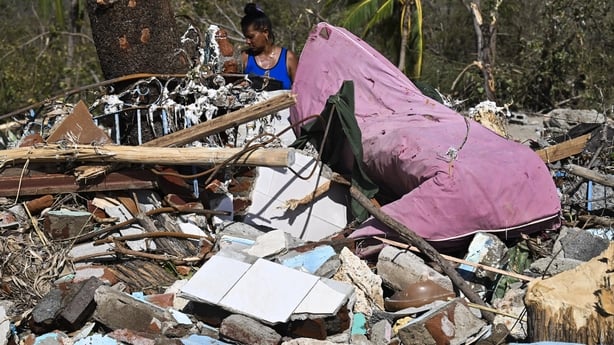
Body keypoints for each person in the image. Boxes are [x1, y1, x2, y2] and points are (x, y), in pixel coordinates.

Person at [240, 3, 298, 90]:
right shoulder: (245, 58)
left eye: (251, 37)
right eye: (246, 37)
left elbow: (301, 93)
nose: (247, 41)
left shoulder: (288, 58)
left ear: (265, 32)